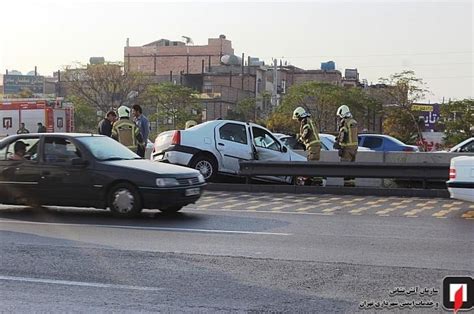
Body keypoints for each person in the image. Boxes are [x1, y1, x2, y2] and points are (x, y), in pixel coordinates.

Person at [292, 106, 323, 186]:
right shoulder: (308, 120)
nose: (297, 120)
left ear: (299, 116)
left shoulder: (305, 121)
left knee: (313, 165)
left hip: (313, 146)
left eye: (297, 118)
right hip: (313, 146)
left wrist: (301, 139)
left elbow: (307, 131)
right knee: (312, 164)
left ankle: (317, 183)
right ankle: (313, 181)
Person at [334, 105, 358, 187]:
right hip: (354, 149)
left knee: (345, 168)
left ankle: (347, 186)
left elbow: (343, 134)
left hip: (346, 149)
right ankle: (352, 184)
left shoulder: (345, 122)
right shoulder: (353, 121)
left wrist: (338, 143)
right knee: (352, 168)